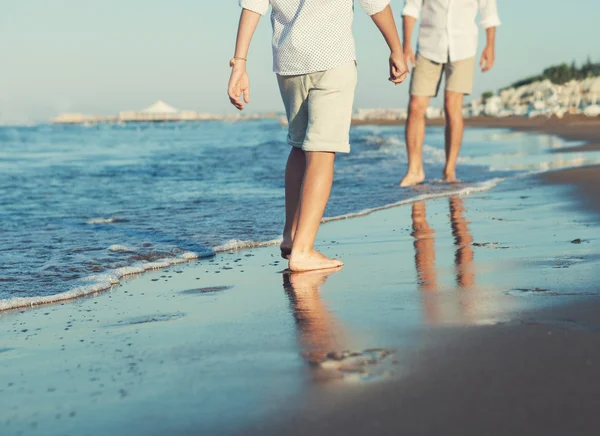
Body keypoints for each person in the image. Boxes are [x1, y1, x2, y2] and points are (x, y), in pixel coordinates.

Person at [228, 0, 408, 272]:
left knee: (299, 147)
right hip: (331, 57)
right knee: (322, 150)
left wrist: (239, 63)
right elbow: (375, 2)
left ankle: (291, 236)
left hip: (289, 62)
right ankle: (303, 250)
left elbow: (253, 5)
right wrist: (396, 48)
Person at [399, 0, 501, 187]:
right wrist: (406, 46)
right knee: (415, 106)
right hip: (428, 46)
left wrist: (490, 46)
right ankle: (414, 170)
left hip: (464, 47)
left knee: (452, 105)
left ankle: (449, 170)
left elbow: (489, 13)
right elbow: (411, 8)